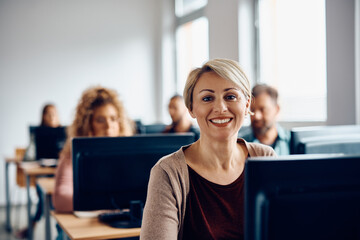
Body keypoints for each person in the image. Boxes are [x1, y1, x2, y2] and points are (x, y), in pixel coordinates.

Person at [140, 59, 276, 240]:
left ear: (246, 104)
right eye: (207, 98)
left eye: (231, 97)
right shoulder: (168, 172)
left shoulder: (265, 157)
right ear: (191, 108)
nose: (220, 108)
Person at [53, 86, 134, 213]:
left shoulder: (130, 154)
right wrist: (110, 204)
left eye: (113, 119)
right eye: (100, 120)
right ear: (87, 124)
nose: (109, 126)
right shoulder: (73, 155)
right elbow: (60, 199)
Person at [15, 103, 61, 239]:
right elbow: (28, 156)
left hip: (58, 172)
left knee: (47, 198)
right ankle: (58, 231)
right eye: (49, 113)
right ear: (43, 116)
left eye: (54, 113)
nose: (52, 117)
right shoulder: (37, 133)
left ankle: (32, 227)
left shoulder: (64, 132)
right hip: (42, 171)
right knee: (45, 196)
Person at [241, 84, 291, 155]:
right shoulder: (240, 144)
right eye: (252, 110)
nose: (256, 116)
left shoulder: (292, 141)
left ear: (277, 110)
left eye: (262, 109)